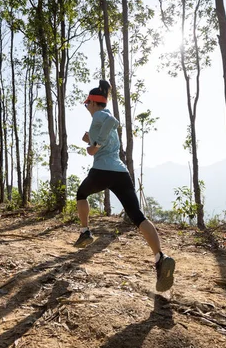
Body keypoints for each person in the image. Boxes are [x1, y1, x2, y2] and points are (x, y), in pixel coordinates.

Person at [74, 79, 176, 292]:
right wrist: (91, 141)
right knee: (138, 216)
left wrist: (94, 146)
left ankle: (85, 232)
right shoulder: (102, 117)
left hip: (102, 170)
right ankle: (160, 257)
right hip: (121, 172)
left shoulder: (100, 116)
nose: (86, 108)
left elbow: (111, 122)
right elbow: (102, 137)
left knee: (81, 194)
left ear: (93, 103)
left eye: (86, 104)